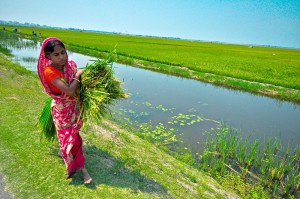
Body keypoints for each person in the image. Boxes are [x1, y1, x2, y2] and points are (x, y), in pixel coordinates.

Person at [37, 37, 92, 184]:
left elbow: (76, 88)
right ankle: (81, 169)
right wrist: (78, 75)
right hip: (61, 111)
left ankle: (78, 164)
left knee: (75, 137)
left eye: (63, 52)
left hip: (74, 107)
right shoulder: (49, 71)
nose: (62, 57)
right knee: (69, 139)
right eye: (56, 55)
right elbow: (68, 90)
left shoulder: (70, 65)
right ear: (48, 56)